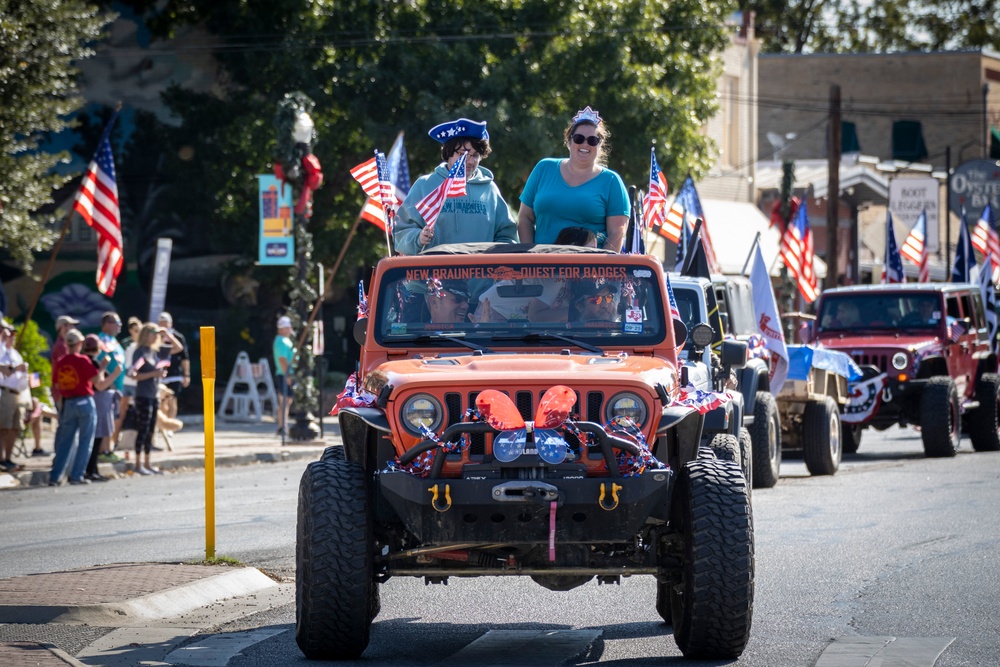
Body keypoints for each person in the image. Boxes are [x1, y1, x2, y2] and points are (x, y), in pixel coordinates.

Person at [393, 118, 518, 255]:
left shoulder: (490, 190)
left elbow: (507, 237)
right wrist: (418, 238)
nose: (469, 161)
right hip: (433, 274)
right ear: (449, 153)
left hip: (479, 275)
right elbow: (401, 232)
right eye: (462, 154)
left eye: (475, 155)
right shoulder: (424, 185)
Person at [517, 106, 629, 250]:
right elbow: (525, 217)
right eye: (579, 138)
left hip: (586, 269)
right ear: (569, 141)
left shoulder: (612, 182)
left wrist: (602, 269)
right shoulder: (543, 168)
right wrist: (529, 258)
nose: (584, 144)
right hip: (542, 266)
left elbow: (616, 233)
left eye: (592, 140)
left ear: (600, 144)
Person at [48, 329, 121, 486]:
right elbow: (95, 380)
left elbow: (55, 383)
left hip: (68, 402)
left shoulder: (61, 361)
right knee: (85, 441)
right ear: (79, 344)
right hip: (84, 401)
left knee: (64, 442)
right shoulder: (82, 360)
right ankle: (76, 476)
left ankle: (55, 477)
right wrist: (102, 367)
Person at [128, 322, 176, 475]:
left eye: (156, 334)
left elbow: (178, 348)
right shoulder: (140, 352)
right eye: (152, 333)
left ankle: (148, 463)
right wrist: (153, 374)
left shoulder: (155, 352)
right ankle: (138, 463)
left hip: (154, 395)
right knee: (142, 429)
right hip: (143, 395)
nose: (155, 336)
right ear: (145, 334)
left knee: (150, 431)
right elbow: (133, 374)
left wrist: (166, 334)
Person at [95, 312, 126, 464]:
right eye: (116, 322)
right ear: (106, 324)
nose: (120, 325)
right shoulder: (100, 341)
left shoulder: (113, 341)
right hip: (107, 387)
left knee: (113, 420)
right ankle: (103, 450)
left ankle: (108, 449)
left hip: (117, 388)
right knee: (106, 421)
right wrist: (109, 380)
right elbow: (99, 362)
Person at [0, 321, 30, 472]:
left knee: (14, 428)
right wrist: (16, 368)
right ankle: (1, 459)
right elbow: (4, 370)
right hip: (5, 393)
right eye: (9, 333)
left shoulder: (15, 354)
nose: (12, 337)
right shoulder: (1, 351)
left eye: (14, 334)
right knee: (3, 427)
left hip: (18, 394)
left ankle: (8, 458)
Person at [116, 316, 142, 451]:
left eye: (139, 330)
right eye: (135, 330)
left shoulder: (144, 344)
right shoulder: (127, 344)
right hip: (127, 382)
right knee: (122, 412)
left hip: (138, 383)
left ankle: (137, 442)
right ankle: (114, 440)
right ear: (130, 330)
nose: (137, 332)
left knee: (140, 414)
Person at [157, 312, 189, 422]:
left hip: (174, 373)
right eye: (161, 323)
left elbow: (182, 353)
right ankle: (163, 424)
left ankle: (170, 423)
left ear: (170, 323)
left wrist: (186, 374)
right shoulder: (155, 337)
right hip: (160, 373)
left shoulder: (178, 337)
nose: (163, 325)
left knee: (171, 399)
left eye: (165, 323)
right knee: (161, 401)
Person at [49, 314, 80, 412]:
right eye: (70, 325)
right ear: (63, 327)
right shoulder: (62, 346)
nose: (73, 328)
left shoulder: (62, 344)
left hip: (63, 390)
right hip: (63, 391)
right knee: (66, 423)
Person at [273, 316, 295, 436]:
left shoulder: (284, 340)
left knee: (286, 401)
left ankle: (283, 425)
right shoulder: (281, 341)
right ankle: (282, 426)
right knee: (284, 400)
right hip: (284, 374)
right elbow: (282, 359)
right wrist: (288, 375)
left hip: (285, 373)